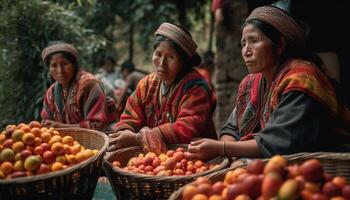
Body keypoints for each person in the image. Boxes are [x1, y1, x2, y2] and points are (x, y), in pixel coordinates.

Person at [188, 5, 350, 160]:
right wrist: (231, 153)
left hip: (324, 165)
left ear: (279, 45)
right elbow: (232, 128)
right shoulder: (251, 83)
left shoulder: (302, 79)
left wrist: (222, 148)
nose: (246, 51)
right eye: (243, 43)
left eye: (254, 41)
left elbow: (278, 142)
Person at [108, 22, 218, 154]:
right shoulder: (146, 84)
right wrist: (125, 132)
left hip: (192, 159)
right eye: (158, 54)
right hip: (153, 162)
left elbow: (187, 128)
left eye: (171, 57)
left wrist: (138, 138)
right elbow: (129, 117)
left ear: (184, 62)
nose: (162, 63)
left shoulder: (197, 87)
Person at [40, 41, 117, 131]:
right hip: (66, 143)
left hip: (97, 139)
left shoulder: (89, 85)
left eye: (65, 64)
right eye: (54, 65)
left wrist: (60, 127)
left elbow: (97, 125)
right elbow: (46, 121)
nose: (60, 71)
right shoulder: (51, 93)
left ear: (74, 65)